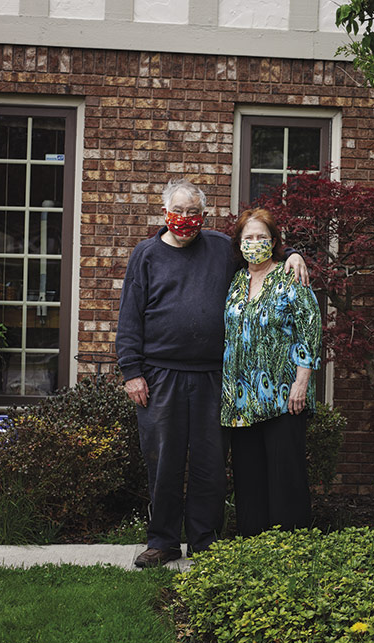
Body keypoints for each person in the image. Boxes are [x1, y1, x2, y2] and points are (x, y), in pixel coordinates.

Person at [116, 179, 308, 568]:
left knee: (209, 463)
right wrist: (131, 370)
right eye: (178, 211)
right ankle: (164, 540)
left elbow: (259, 250)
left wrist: (292, 253)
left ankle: (204, 540)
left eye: (193, 212)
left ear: (203, 216)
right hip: (159, 376)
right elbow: (129, 315)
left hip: (213, 375)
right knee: (164, 460)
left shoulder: (221, 247)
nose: (185, 219)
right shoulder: (146, 254)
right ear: (165, 212)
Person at [221, 208, 321, 536]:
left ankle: (290, 549)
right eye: (248, 238)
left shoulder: (289, 275)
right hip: (242, 398)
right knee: (249, 479)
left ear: (274, 241)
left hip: (282, 395)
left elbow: (310, 327)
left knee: (285, 476)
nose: (254, 243)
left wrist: (301, 383)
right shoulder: (235, 280)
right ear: (239, 243)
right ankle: (253, 548)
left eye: (261, 237)